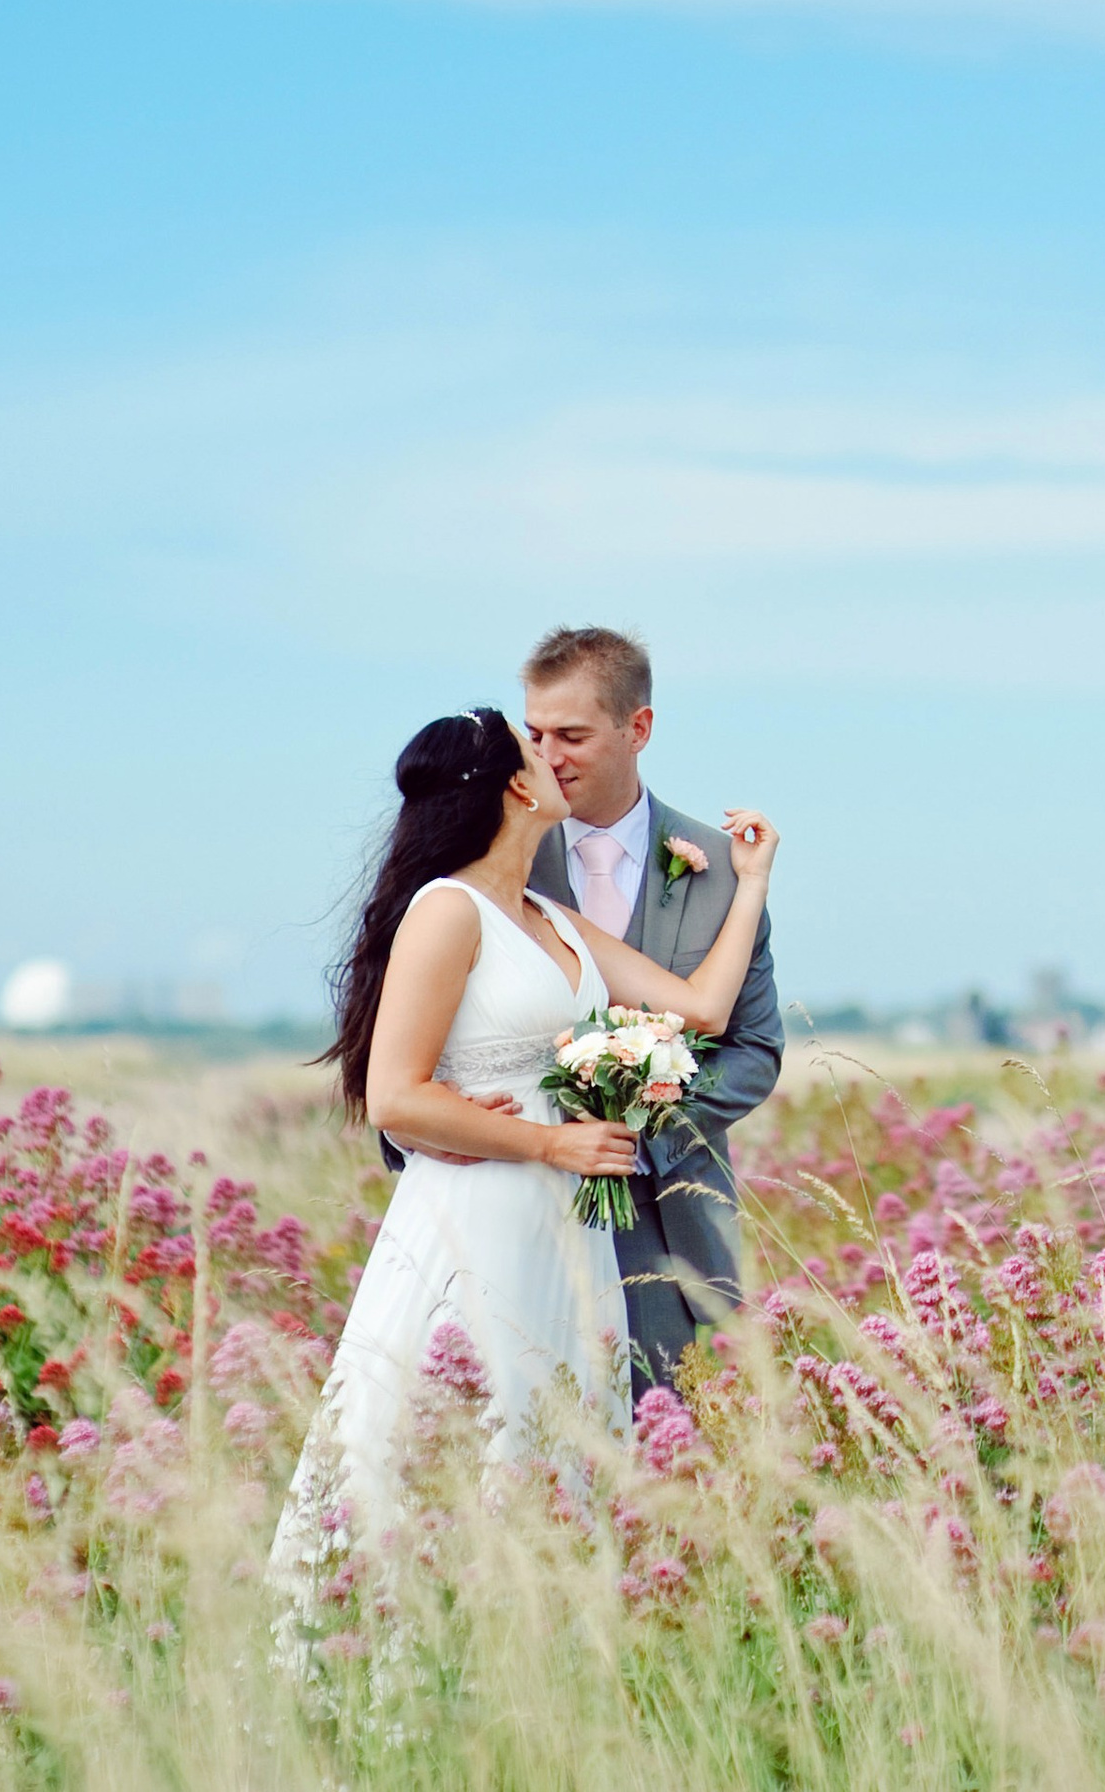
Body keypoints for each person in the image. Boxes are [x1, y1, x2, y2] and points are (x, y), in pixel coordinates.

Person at [271, 705, 778, 1570]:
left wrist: (753, 881)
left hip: (570, 1225)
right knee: (471, 1421)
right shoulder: (448, 910)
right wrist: (552, 1146)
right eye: (533, 747)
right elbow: (395, 1095)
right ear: (514, 786)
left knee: (561, 1424)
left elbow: (700, 1010)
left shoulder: (548, 915)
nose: (552, 756)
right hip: (484, 1211)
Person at [517, 625, 787, 1394]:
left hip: (666, 1224)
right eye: (534, 735)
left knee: (659, 1436)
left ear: (638, 729)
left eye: (572, 736)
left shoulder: (723, 870)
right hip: (518, 1200)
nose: (547, 756)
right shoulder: (495, 856)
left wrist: (647, 1114)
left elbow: (755, 1050)